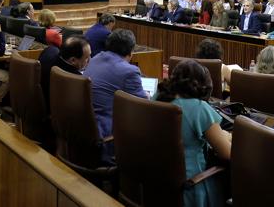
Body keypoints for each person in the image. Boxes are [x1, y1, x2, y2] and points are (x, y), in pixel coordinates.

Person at [155, 59, 231, 207]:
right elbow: (227, 153)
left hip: (158, 178)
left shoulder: (158, 97)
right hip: (192, 184)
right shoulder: (199, 108)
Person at [84, 29, 147, 163]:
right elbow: (144, 105)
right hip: (108, 135)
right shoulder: (130, 71)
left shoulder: (95, 58)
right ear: (131, 52)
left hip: (86, 127)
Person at [38, 36, 91, 110]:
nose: (89, 61)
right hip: (53, 112)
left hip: (36, 103)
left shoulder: (49, 51)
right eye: (86, 58)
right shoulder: (76, 79)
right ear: (73, 60)